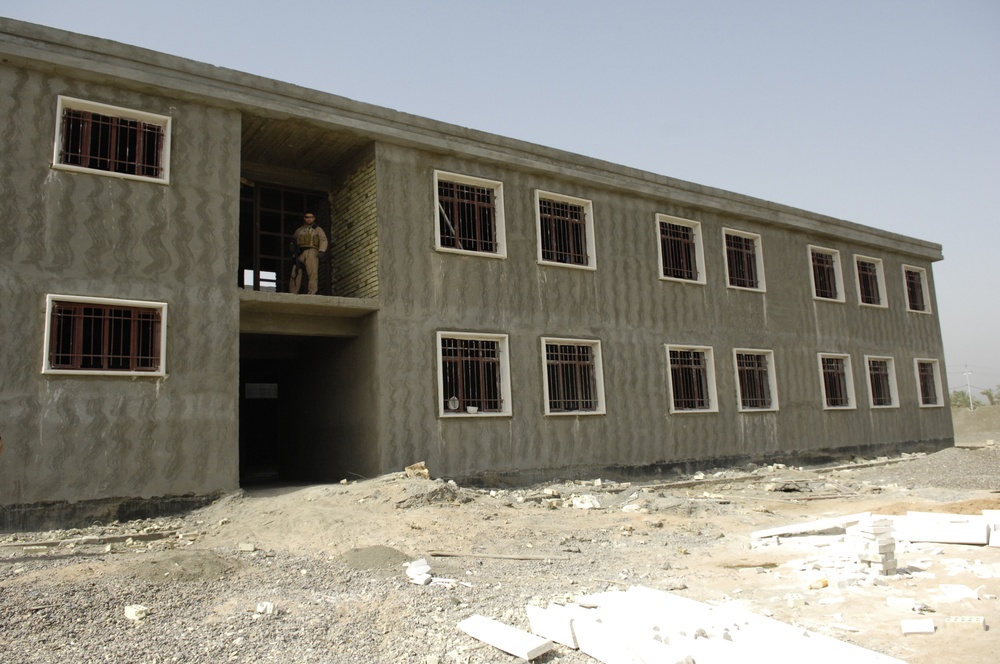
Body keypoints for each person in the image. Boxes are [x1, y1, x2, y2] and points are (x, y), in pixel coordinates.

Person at [289, 212, 328, 295]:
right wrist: (292, 249)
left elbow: (323, 240)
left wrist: (322, 250)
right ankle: (293, 292)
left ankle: (312, 292)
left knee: (312, 272)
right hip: (300, 252)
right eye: (307, 217)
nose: (309, 219)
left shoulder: (317, 229)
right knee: (295, 271)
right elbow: (294, 240)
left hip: (312, 251)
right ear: (304, 218)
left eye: (311, 217)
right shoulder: (299, 230)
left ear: (314, 218)